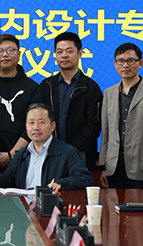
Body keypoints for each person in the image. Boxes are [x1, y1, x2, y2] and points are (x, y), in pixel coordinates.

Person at [99, 43, 143, 191]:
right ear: (115, 64)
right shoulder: (109, 93)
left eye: (130, 60)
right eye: (120, 61)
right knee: (113, 206)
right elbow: (106, 134)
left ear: (140, 63)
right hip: (113, 168)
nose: (125, 65)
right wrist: (103, 166)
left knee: (140, 206)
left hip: (141, 168)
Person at [0, 34, 43, 176]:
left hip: (22, 159)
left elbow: (35, 125)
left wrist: (12, 155)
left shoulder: (32, 88)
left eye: (10, 50)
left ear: (19, 54)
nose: (5, 55)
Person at [0, 104, 92, 190]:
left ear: (52, 126)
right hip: (24, 205)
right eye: (31, 123)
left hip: (51, 205)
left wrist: (60, 184)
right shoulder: (21, 155)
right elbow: (4, 180)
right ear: (26, 126)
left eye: (41, 122)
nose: (36, 127)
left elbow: (85, 179)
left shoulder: (68, 153)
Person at [41, 32, 103, 169]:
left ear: (80, 53)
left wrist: (70, 150)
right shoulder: (47, 86)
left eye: (69, 51)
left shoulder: (91, 88)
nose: (64, 55)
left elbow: (94, 125)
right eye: (59, 52)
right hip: (49, 153)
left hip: (80, 155)